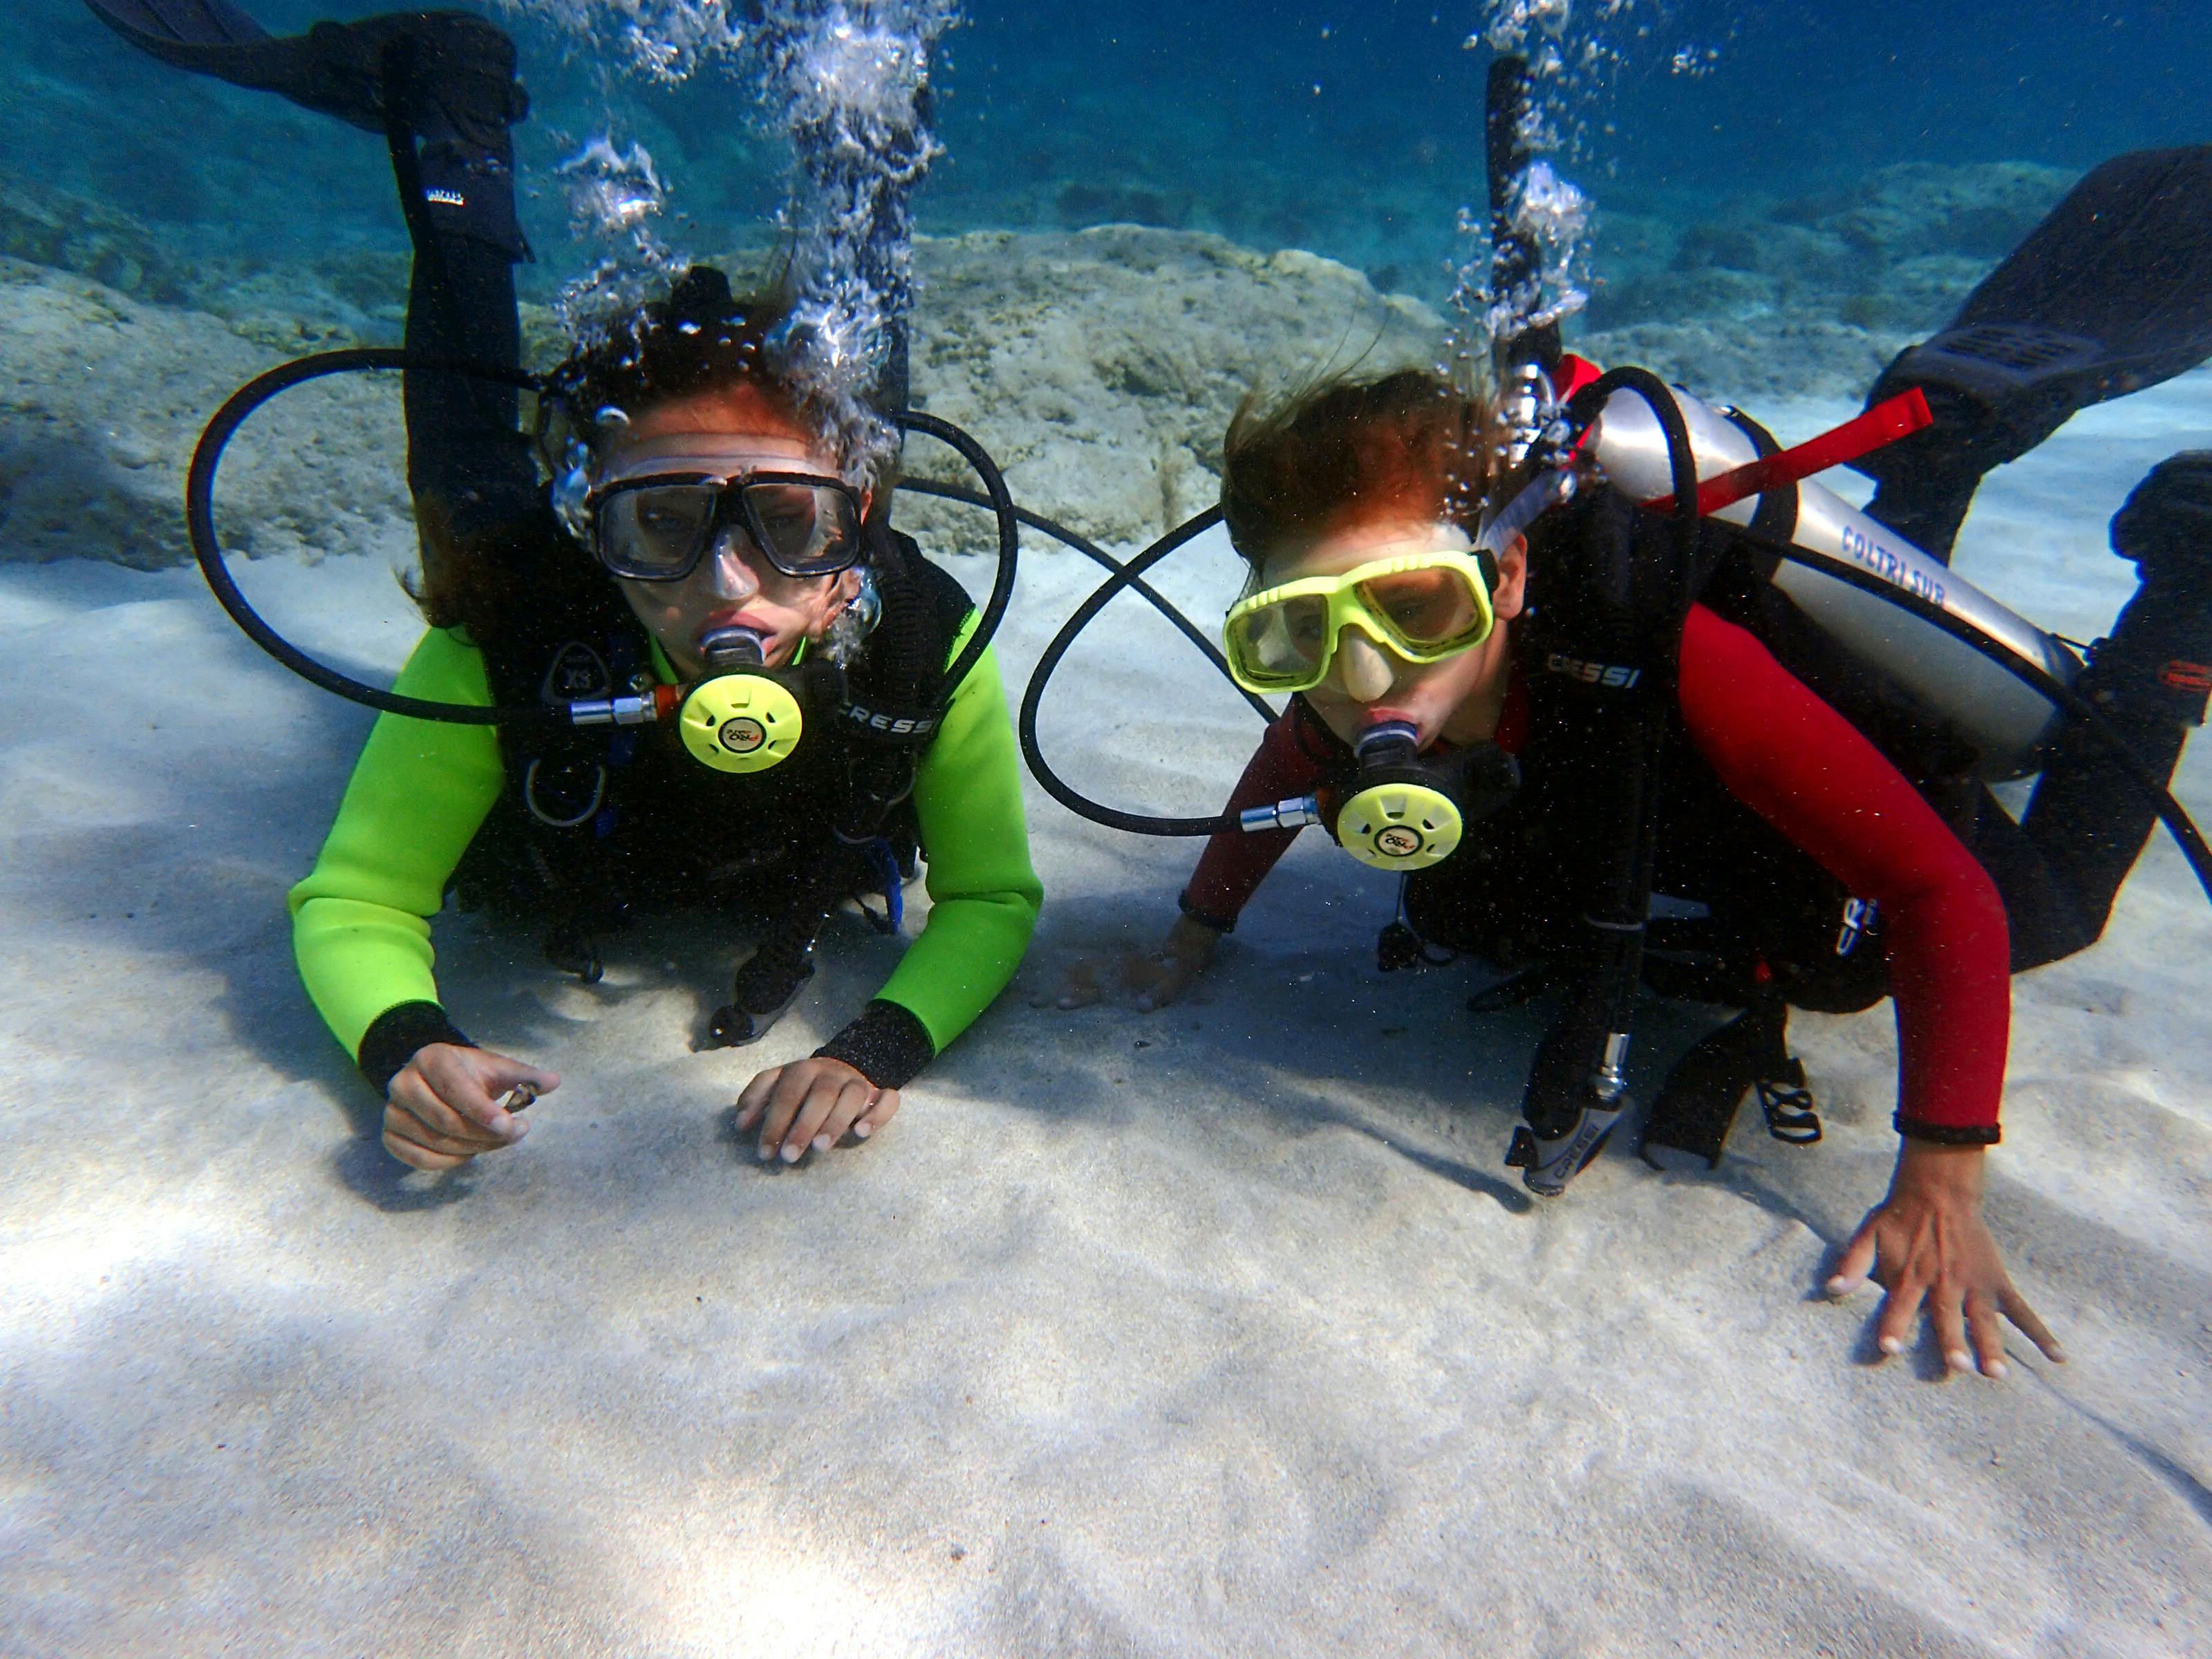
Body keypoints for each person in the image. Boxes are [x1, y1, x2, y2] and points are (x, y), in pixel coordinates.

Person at [1076, 353, 2212, 1380]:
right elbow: (1289, 759)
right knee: (1472, 908)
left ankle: (2181, 602)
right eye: (1297, 630)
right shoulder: (1348, 688)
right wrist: (1192, 939)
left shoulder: (1659, 643)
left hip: (1787, 811)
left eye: (1415, 605)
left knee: (2045, 910)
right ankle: (1935, 479)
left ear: (1509, 575)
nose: (1363, 670)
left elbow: (1935, 890)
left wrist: (1941, 1177)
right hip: (1634, 845)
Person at [86, 3, 1042, 1171]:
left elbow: (992, 898)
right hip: (555, 586)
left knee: (847, 415)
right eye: (662, 525)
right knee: (472, 487)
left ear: (859, 532)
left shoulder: (918, 643)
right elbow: (358, 900)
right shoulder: (514, 635)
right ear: (596, 528)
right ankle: (449, 110)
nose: (728, 581)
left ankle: (863, 112)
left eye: (793, 527)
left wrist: (877, 1047)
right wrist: (406, 1042)